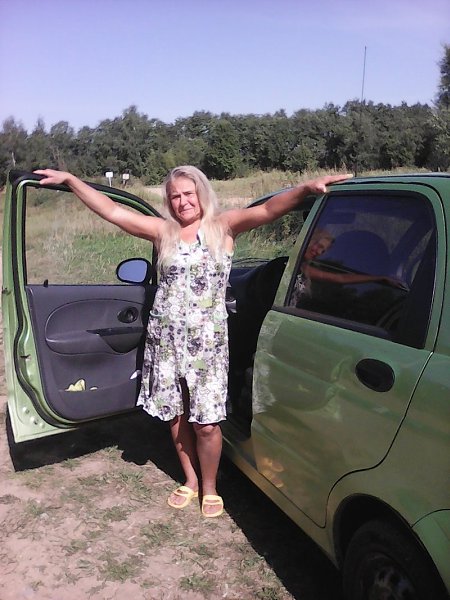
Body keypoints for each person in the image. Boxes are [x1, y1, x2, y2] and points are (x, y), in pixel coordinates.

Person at [34, 166, 352, 517]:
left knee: (207, 423)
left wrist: (305, 189)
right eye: (175, 196)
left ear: (201, 192)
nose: (182, 201)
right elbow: (112, 211)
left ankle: (210, 486)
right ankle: (191, 479)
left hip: (207, 344)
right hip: (166, 340)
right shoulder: (163, 231)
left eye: (188, 193)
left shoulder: (223, 226)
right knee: (175, 415)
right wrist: (72, 181)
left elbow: (267, 209)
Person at [290, 227, 404, 307]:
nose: (319, 252)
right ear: (310, 240)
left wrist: (380, 278)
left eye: (323, 251)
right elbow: (339, 278)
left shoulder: (305, 267)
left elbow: (341, 278)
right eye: (319, 246)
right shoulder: (297, 266)